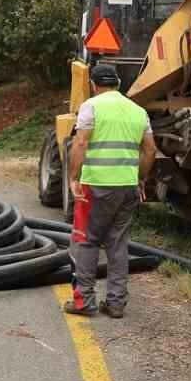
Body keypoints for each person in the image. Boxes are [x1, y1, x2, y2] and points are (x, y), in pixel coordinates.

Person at [65, 63, 157, 319]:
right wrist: (140, 179)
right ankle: (116, 304)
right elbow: (150, 150)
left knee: (86, 241)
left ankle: (84, 301)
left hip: (95, 186)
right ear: (118, 83)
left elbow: (80, 142)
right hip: (127, 187)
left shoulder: (91, 106)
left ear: (94, 85)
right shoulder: (138, 111)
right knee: (118, 245)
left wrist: (74, 178)